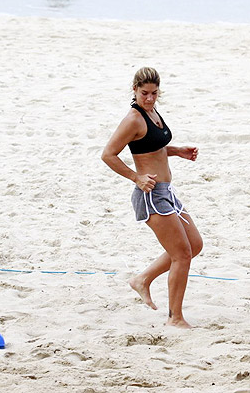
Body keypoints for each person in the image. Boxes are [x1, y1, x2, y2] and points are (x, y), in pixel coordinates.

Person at [102, 67, 203, 328]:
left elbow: (152, 147)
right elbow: (108, 155)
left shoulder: (152, 112)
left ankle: (143, 279)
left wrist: (177, 151)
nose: (149, 98)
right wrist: (136, 177)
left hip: (167, 192)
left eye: (154, 93)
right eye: (144, 93)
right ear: (134, 90)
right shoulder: (133, 119)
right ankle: (175, 319)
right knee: (182, 254)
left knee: (195, 244)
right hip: (150, 195)